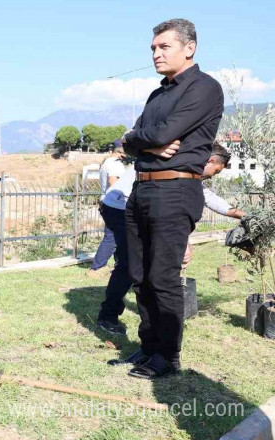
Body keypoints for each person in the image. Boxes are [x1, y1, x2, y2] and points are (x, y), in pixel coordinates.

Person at [115, 18, 224, 380]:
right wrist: (141, 142)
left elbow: (162, 132)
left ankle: (168, 355)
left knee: (162, 277)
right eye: (153, 48)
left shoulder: (205, 88)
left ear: (189, 48)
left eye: (164, 47)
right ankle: (148, 347)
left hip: (175, 190)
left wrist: (138, 140)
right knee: (138, 274)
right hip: (142, 187)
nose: (156, 54)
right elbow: (129, 141)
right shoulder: (157, 94)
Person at [98, 144, 242, 337]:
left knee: (140, 265)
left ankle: (151, 314)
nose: (211, 176)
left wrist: (239, 214)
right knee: (129, 265)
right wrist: (184, 242)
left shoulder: (187, 167)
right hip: (119, 208)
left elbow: (204, 195)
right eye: (215, 172)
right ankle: (108, 316)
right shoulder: (178, 162)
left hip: (132, 207)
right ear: (211, 161)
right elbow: (173, 207)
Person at [89, 145, 127, 272]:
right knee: (112, 236)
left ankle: (119, 265)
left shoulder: (106, 163)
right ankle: (98, 266)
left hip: (107, 202)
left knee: (119, 236)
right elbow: (113, 182)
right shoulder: (116, 164)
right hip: (116, 204)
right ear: (121, 152)